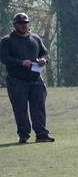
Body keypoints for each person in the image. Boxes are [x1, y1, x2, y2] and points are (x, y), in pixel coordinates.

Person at [2, 12, 53, 142]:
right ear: (14, 25)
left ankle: (42, 134)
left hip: (36, 79)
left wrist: (43, 59)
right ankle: (23, 135)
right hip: (17, 80)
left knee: (39, 107)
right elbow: (4, 58)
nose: (23, 25)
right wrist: (21, 62)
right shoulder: (7, 40)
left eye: (25, 23)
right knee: (20, 109)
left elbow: (45, 52)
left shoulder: (35, 38)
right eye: (20, 23)